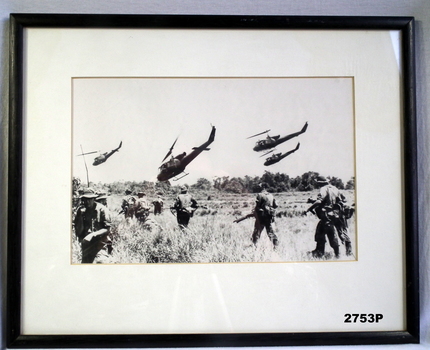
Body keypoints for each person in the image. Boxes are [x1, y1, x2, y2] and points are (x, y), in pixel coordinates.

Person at [304, 176, 344, 259]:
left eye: (317, 182)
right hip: (333, 215)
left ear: (320, 183)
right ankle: (319, 252)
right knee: (320, 233)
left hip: (326, 216)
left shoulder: (323, 189)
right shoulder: (335, 189)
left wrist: (308, 209)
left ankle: (337, 255)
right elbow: (339, 201)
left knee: (331, 235)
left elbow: (319, 201)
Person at [73, 188, 112, 263]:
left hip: (100, 244)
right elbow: (78, 232)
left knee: (101, 263)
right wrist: (80, 217)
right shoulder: (81, 211)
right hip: (87, 245)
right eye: (85, 199)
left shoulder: (102, 210)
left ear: (94, 199)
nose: (87, 202)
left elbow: (107, 229)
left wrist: (92, 235)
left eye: (90, 199)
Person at [252, 183, 279, 248]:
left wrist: (255, 213)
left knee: (257, 232)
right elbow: (276, 205)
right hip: (269, 216)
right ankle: (275, 245)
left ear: (262, 187)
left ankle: (255, 246)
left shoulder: (259, 195)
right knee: (270, 232)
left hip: (261, 217)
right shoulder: (271, 195)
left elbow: (257, 206)